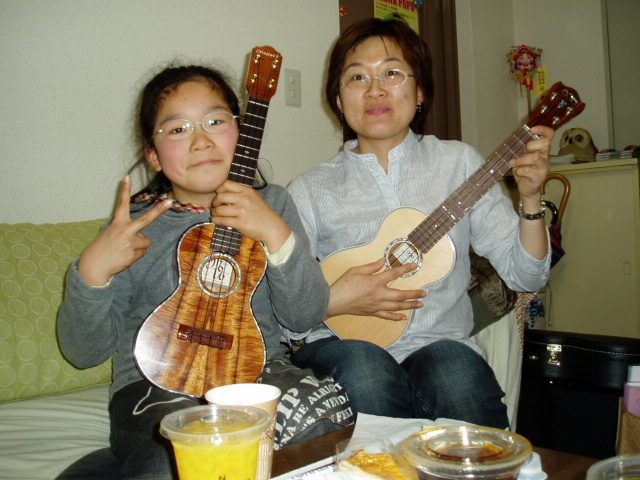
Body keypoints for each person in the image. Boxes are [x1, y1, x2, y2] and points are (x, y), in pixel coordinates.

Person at [56, 64, 353, 480]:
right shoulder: (134, 225)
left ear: (241, 131)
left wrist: (276, 234)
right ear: (153, 155)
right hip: (154, 381)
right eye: (177, 129)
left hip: (256, 374)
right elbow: (83, 352)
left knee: (325, 421)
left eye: (216, 121)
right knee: (177, 458)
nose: (201, 140)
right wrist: (91, 272)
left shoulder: (273, 204)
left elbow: (304, 315)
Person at [288, 18, 553, 429]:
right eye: (357, 77)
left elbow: (527, 276)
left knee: (456, 374)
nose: (375, 89)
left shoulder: (459, 164)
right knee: (367, 371)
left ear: (421, 91)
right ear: (339, 99)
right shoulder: (308, 190)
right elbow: (286, 316)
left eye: (392, 73)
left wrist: (531, 199)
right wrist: (332, 301)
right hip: (343, 345)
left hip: (440, 344)